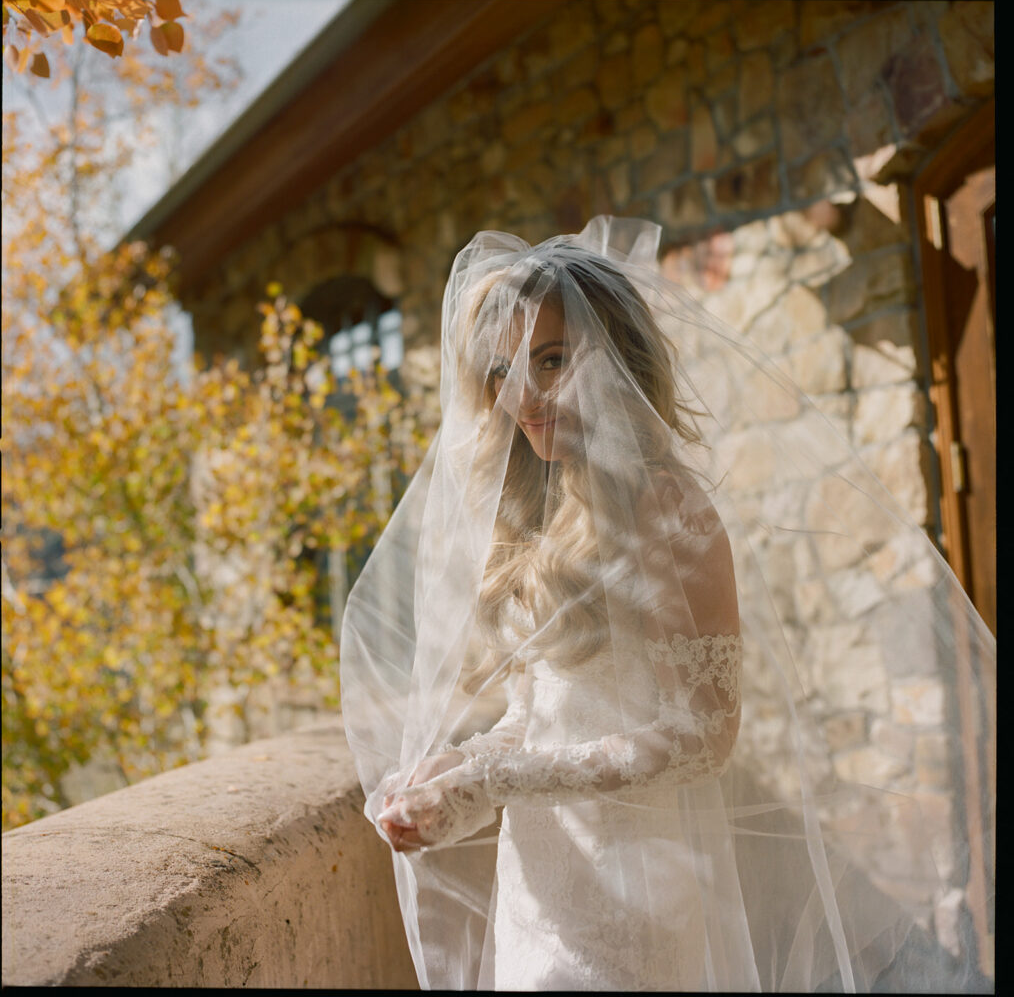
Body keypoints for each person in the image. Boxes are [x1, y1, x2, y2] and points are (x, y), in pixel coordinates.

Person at [340, 216, 995, 991]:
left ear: (616, 355)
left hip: (636, 893)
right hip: (538, 880)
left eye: (550, 360)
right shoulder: (539, 512)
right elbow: (542, 710)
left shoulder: (672, 508)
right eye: (502, 370)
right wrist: (459, 777)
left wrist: (502, 780)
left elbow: (704, 734)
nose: (523, 396)